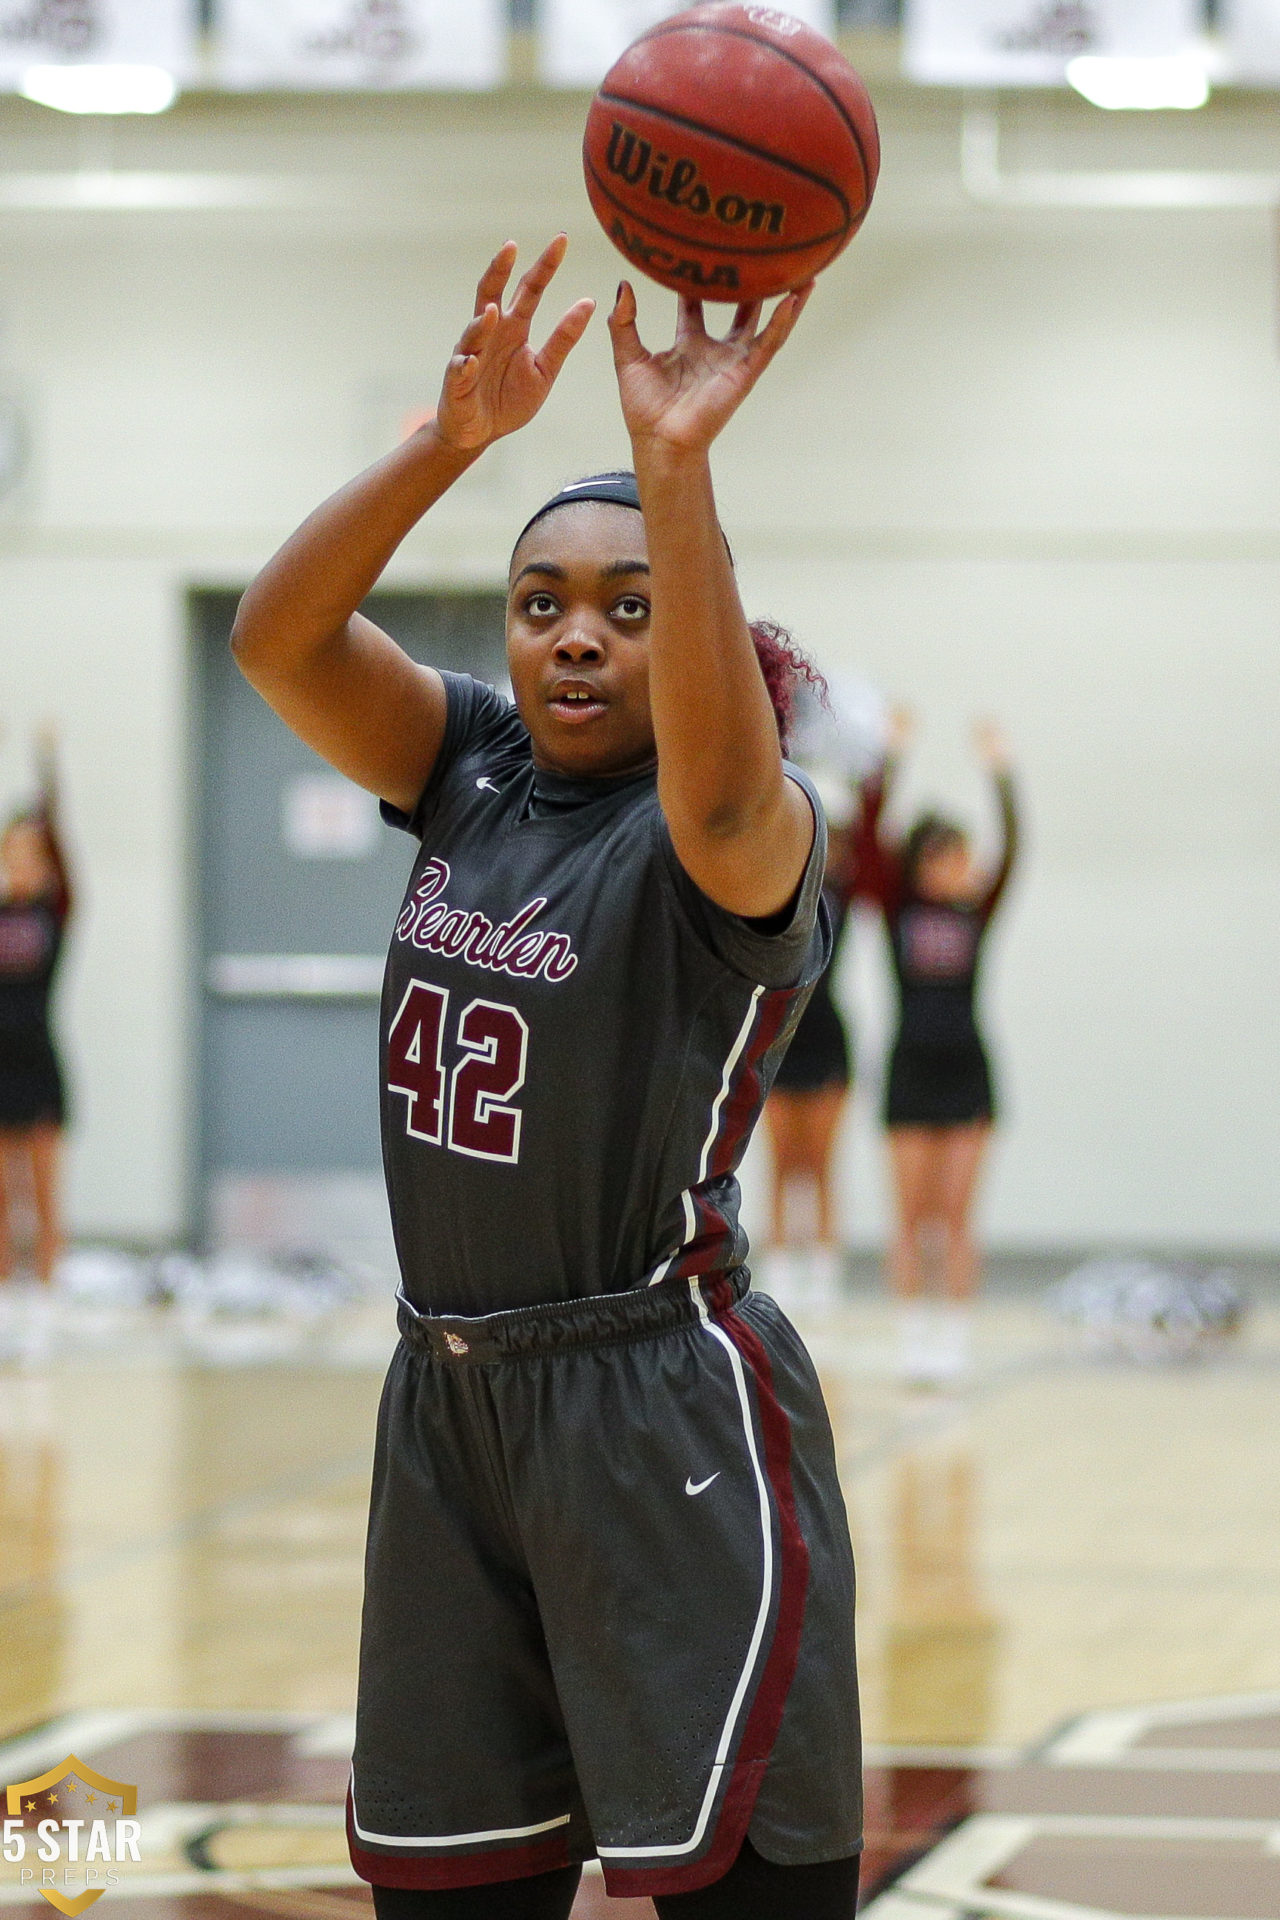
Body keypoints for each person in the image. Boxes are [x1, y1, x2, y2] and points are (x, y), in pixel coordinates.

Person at [232, 235, 862, 1920]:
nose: (577, 638)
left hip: (659, 1406)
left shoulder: (732, 834)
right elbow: (279, 641)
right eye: (542, 605)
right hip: (446, 1406)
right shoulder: (473, 772)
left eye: (630, 607)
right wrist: (448, 446)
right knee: (445, 1888)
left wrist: (678, 466)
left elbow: (726, 799)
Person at [860, 714, 1018, 1384]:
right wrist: (888, 761)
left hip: (968, 1074)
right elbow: (868, 844)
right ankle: (913, 1339)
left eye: (964, 856)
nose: (960, 866)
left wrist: (1000, 773)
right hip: (909, 1073)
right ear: (922, 863)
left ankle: (952, 1343)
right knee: (911, 1219)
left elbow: (1015, 851)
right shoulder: (899, 908)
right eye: (946, 855)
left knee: (956, 1220)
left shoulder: (976, 912)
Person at [760, 772, 861, 1315]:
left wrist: (879, 770)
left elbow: (872, 845)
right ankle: (779, 1273)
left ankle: (823, 1279)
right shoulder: (779, 890)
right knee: (781, 1163)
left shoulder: (842, 893)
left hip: (826, 1036)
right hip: (781, 1035)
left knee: (820, 1164)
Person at [0, 730, 72, 1293]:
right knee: (5, 1198)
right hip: (0, 1066)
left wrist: (46, 769)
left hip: (39, 1059)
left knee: (46, 1194)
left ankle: (48, 1303)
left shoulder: (55, 909)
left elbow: (62, 846)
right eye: (13, 851)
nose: (23, 861)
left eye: (32, 853)